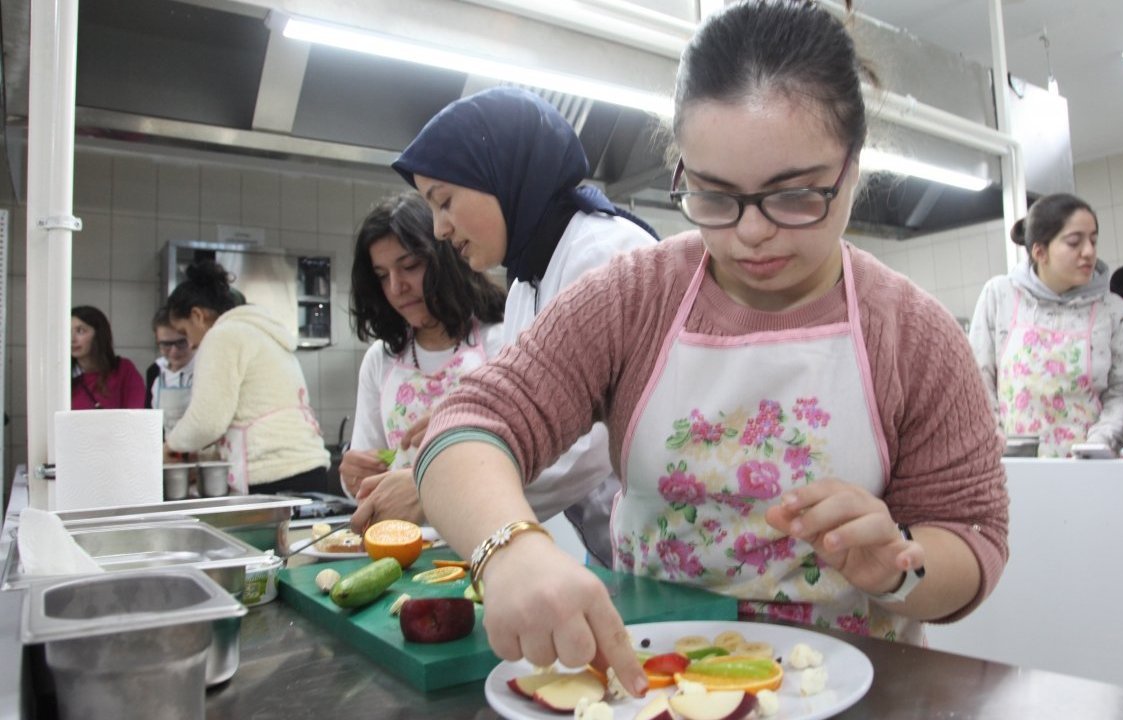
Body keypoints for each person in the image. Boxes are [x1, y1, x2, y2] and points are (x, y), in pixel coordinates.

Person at [413, 0, 1008, 693]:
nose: (751, 233)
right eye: (715, 195)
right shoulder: (633, 296)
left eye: (793, 196)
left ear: (852, 166)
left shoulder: (915, 334)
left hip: (840, 690)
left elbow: (975, 537)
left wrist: (901, 565)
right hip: (653, 681)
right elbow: (469, 424)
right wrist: (508, 548)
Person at [350, 86, 658, 564]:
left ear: (503, 175)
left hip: (660, 539)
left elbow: (590, 442)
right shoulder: (526, 282)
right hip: (611, 545)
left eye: (445, 200)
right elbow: (529, 399)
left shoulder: (601, 252)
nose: (439, 229)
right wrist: (476, 417)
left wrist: (439, 485)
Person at [339, 191, 506, 495]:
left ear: (446, 258)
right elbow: (367, 477)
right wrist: (354, 476)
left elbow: (530, 456)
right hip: (408, 537)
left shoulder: (500, 340)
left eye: (410, 266)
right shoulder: (381, 359)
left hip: (492, 529)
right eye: (381, 275)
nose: (396, 287)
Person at [970, 193, 1123, 457]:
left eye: (1093, 241)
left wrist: (1097, 446)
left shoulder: (1112, 310)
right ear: (1040, 251)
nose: (1089, 252)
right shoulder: (1000, 295)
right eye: (1074, 243)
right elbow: (977, 380)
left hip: (1086, 468)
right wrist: (998, 444)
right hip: (1011, 466)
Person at [162, 260, 330, 493]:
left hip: (272, 475)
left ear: (197, 315)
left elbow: (207, 422)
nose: (189, 344)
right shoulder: (261, 332)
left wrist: (170, 446)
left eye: (184, 332)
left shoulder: (222, 336)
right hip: (309, 469)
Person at [70, 305, 146, 410]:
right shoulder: (63, 377)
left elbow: (135, 414)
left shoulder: (123, 370)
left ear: (98, 335)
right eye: (67, 332)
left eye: (80, 331)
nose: (72, 339)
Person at [144, 307, 196, 434]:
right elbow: (149, 417)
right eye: (166, 345)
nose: (174, 351)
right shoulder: (155, 370)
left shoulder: (204, 367)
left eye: (181, 343)